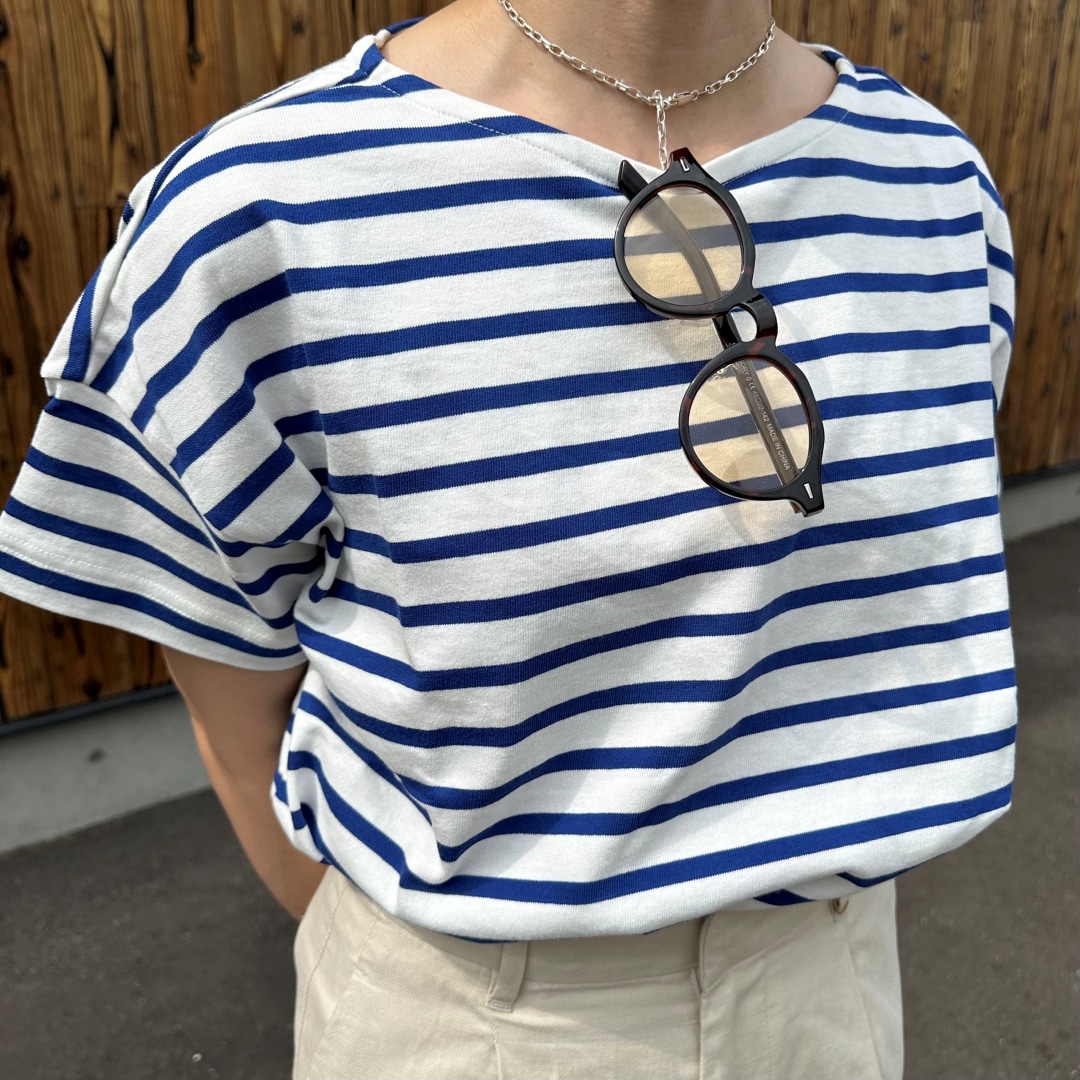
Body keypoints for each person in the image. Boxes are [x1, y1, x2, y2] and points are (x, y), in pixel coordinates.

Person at [0, 0, 1017, 1076]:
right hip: (471, 1016)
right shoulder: (257, 212)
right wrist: (417, 981)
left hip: (834, 988)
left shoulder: (931, 179)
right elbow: (233, 705)